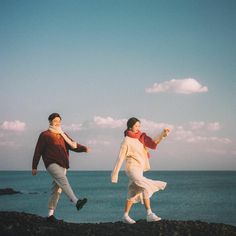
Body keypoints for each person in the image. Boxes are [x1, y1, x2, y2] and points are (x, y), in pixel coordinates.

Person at [32, 112, 90, 222]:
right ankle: (76, 201)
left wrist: (84, 148)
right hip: (51, 163)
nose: (57, 123)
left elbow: (73, 145)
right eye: (55, 121)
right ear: (50, 121)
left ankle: (50, 214)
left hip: (63, 164)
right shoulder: (45, 135)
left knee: (57, 189)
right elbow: (38, 151)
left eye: (59, 121)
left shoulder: (62, 134)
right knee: (63, 180)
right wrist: (34, 166)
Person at [111, 117, 170, 224]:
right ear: (130, 127)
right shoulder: (126, 141)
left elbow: (153, 142)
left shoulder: (141, 138)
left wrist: (163, 134)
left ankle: (127, 215)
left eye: (139, 126)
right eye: (136, 126)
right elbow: (120, 158)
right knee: (146, 185)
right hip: (131, 168)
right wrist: (115, 175)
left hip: (139, 169)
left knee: (133, 192)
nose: (138, 128)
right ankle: (150, 213)